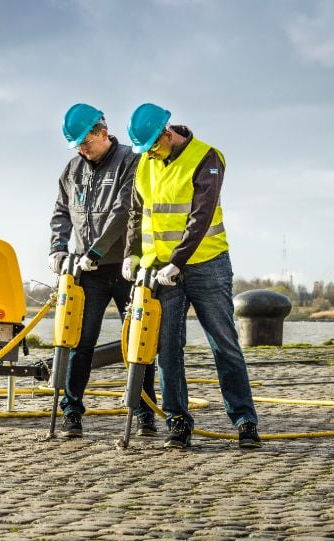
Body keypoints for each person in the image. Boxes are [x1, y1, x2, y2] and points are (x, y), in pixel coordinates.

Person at [122, 103, 261, 450]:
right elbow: (136, 214)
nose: (150, 153)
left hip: (206, 265)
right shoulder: (145, 164)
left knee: (224, 343)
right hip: (159, 270)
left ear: (167, 134)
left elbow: (201, 216)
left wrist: (178, 262)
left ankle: (245, 421)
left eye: (153, 145)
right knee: (167, 348)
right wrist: (132, 254)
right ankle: (178, 422)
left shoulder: (206, 158)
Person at [49, 103, 157, 439]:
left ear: (102, 131)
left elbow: (124, 210)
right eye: (78, 144)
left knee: (138, 344)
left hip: (124, 266)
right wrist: (57, 246)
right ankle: (71, 412)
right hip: (87, 272)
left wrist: (96, 250)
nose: (83, 148)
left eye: (86, 141)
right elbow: (61, 211)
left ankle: (144, 411)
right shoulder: (72, 170)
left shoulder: (130, 161)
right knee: (79, 340)